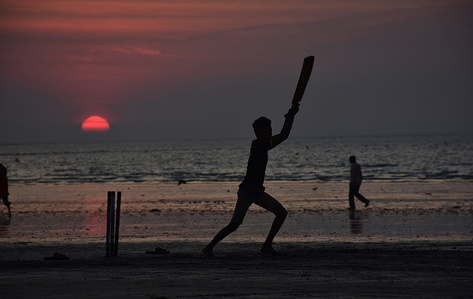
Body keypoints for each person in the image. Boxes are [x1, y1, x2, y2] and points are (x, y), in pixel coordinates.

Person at [203, 103, 300, 256]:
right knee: (234, 225)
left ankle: (267, 245)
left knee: (281, 213)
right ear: (259, 133)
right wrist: (290, 117)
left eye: (270, 130)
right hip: (247, 192)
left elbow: (283, 135)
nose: (269, 133)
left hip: (257, 192)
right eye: (266, 131)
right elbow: (283, 136)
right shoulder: (258, 145)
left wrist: (290, 117)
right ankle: (209, 247)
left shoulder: (263, 144)